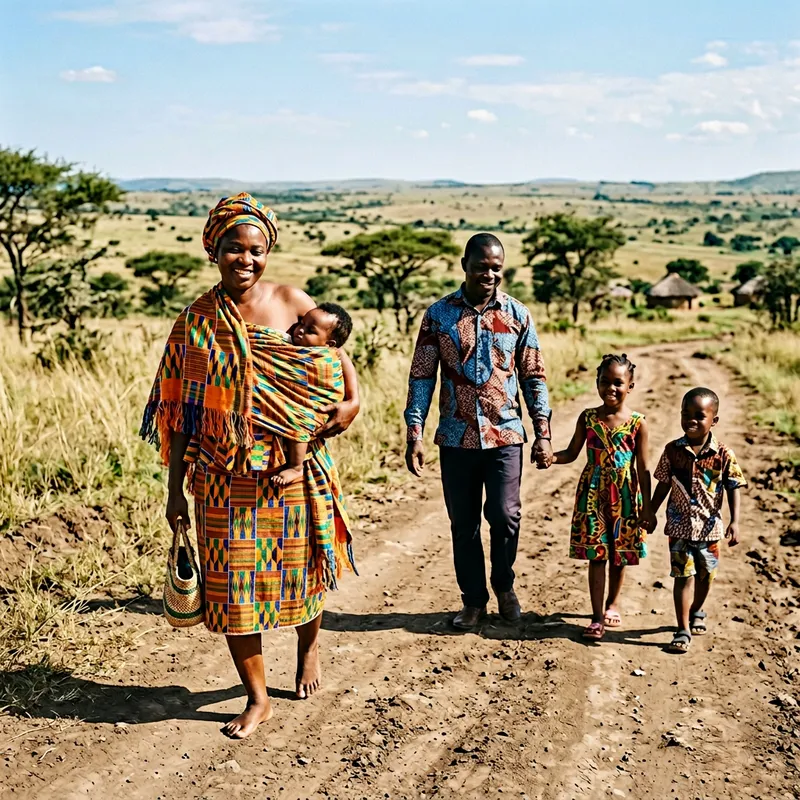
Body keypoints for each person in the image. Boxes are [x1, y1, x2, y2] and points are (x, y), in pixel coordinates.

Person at [140, 193, 360, 739]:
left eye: (256, 250)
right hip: (220, 475)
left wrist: (352, 405)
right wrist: (174, 493)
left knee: (302, 572)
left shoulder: (292, 300)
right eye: (234, 249)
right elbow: (182, 416)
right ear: (213, 249)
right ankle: (257, 696)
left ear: (269, 252)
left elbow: (335, 362)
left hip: (293, 468)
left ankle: (309, 650)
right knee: (234, 588)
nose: (246, 259)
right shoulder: (196, 321)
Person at [404, 232, 552, 630]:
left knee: (505, 516)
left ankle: (504, 586)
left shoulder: (518, 315)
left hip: (506, 434)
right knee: (463, 523)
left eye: (496, 268)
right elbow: (422, 376)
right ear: (465, 265)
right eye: (482, 266)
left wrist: (543, 431)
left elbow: (533, 376)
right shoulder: (439, 315)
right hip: (456, 437)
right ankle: (473, 601)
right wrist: (414, 432)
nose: (490, 274)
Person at [552, 354, 654, 641]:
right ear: (596, 383)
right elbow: (571, 453)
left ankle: (613, 603)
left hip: (624, 497)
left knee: (619, 556)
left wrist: (647, 507)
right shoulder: (588, 418)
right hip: (593, 496)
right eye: (604, 382)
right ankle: (597, 617)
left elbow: (644, 468)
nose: (611, 388)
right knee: (596, 556)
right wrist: (551, 457)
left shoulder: (637, 423)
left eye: (618, 383)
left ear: (630, 386)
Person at [650, 387, 745, 654]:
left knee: (706, 576)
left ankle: (697, 609)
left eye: (699, 415)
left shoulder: (723, 454)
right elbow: (662, 485)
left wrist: (735, 521)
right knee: (682, 576)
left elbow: (733, 486)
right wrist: (650, 511)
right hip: (679, 527)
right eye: (686, 413)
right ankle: (682, 629)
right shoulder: (672, 451)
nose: (691, 420)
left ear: (714, 420)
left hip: (710, 529)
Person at [273, 303, 353, 488]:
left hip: (315, 405)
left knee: (298, 420)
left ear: (329, 344)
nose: (299, 330)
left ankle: (296, 466)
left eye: (310, 330)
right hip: (298, 402)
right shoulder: (292, 348)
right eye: (301, 323)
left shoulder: (323, 358)